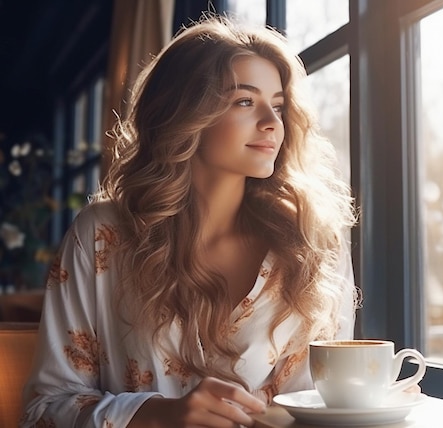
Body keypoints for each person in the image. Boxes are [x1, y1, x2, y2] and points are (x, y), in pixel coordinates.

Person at [21, 14, 358, 428]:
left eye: (278, 106)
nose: (272, 123)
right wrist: (159, 414)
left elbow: (326, 409)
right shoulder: (102, 236)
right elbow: (43, 410)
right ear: (184, 114)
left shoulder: (314, 245)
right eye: (245, 101)